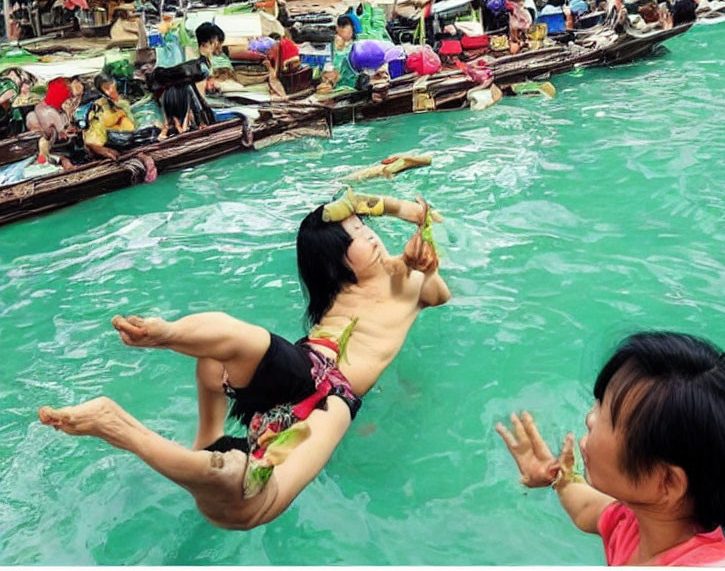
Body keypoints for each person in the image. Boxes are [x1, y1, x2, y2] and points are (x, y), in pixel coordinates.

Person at [38, 194, 451, 530]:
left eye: (367, 229)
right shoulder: (346, 293)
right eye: (357, 236)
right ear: (335, 262)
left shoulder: (410, 282)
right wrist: (403, 215)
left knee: (248, 506)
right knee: (236, 342)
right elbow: (360, 206)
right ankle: (167, 339)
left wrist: (420, 245)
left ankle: (119, 428)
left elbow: (438, 290)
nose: (372, 238)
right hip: (311, 361)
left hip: (337, 397)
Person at [496, 331, 725, 566]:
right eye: (599, 402)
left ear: (668, 482)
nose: (590, 419)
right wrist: (558, 476)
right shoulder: (634, 522)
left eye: (607, 415)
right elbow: (585, 507)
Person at [83, 72, 136, 161]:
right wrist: (119, 114)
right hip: (113, 138)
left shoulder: (125, 99)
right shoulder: (101, 104)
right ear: (102, 91)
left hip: (129, 135)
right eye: (106, 88)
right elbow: (107, 121)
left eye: (112, 85)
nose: (111, 90)